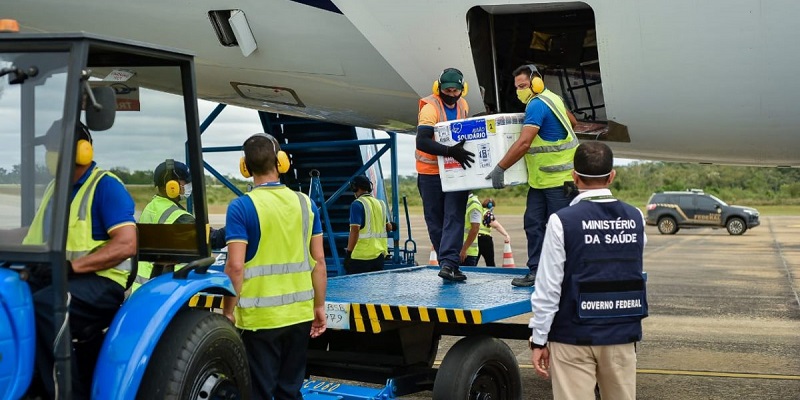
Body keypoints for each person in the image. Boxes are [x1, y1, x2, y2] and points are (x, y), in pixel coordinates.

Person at [24, 121, 137, 399]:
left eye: (55, 148)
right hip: (63, 278)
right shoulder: (55, 188)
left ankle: (65, 394)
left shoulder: (106, 187)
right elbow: (32, 231)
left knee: (46, 306)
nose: (50, 155)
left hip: (102, 282)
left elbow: (127, 243)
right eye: (48, 149)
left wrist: (72, 267)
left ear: (82, 151)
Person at [528, 142, 647, 400]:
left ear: (574, 175)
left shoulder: (562, 221)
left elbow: (549, 287)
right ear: (612, 176)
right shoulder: (635, 217)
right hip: (621, 334)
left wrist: (539, 339)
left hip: (573, 336)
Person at [222, 133, 327, 400]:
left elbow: (235, 266)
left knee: (259, 392)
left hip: (259, 321)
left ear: (245, 167)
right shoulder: (306, 204)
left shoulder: (241, 207)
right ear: (281, 162)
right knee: (289, 391)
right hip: (300, 316)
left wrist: (228, 312)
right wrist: (318, 306)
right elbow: (319, 261)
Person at [486, 64, 579, 287]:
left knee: (559, 231)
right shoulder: (552, 97)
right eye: (517, 87)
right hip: (541, 182)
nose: (520, 91)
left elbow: (525, 142)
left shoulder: (537, 105)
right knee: (533, 223)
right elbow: (573, 122)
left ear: (536, 82)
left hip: (557, 181)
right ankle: (536, 271)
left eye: (524, 85)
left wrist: (501, 167)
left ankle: (567, 275)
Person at [415, 67, 475, 281]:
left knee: (454, 217)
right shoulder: (430, 107)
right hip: (430, 172)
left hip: (455, 171)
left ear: (462, 89)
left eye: (455, 91)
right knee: (435, 220)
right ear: (438, 88)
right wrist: (450, 151)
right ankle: (446, 264)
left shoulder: (463, 104)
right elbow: (422, 141)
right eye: (447, 90)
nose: (451, 95)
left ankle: (450, 263)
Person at [131, 159, 227, 291]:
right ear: (172, 186)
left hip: (145, 286)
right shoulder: (177, 216)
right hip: (163, 287)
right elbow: (212, 239)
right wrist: (237, 224)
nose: (188, 185)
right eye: (185, 182)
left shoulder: (153, 206)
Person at [344, 174, 391, 274]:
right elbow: (388, 227)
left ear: (355, 187)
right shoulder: (380, 203)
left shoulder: (357, 204)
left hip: (361, 257)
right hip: (378, 256)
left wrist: (349, 253)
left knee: (358, 289)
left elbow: (355, 230)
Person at [476, 198, 511, 267]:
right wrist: (506, 234)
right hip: (485, 239)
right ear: (490, 206)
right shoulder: (488, 214)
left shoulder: (479, 212)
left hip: (475, 238)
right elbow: (496, 225)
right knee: (490, 262)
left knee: (474, 261)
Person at [461, 192, 482, 266]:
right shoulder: (463, 202)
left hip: (467, 253)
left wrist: (464, 250)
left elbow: (475, 228)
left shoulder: (474, 204)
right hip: (459, 251)